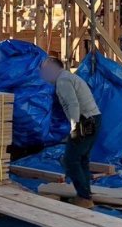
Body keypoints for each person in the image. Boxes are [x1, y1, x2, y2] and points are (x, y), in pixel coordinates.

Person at [40, 55, 101, 208]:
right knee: (82, 159)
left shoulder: (63, 81)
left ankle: (84, 198)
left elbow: (73, 105)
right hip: (92, 118)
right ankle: (85, 194)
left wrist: (74, 129)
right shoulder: (67, 77)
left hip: (84, 120)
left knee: (70, 160)